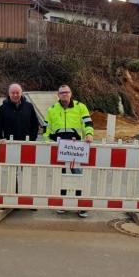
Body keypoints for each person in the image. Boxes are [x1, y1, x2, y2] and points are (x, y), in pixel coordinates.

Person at [44, 84, 94, 218]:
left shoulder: (80, 107)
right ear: (58, 95)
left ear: (71, 93)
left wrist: (89, 134)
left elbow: (88, 123)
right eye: (62, 93)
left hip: (75, 147)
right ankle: (63, 203)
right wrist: (48, 142)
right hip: (59, 147)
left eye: (67, 92)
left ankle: (81, 205)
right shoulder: (52, 109)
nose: (64, 94)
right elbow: (46, 128)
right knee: (61, 177)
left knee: (78, 176)